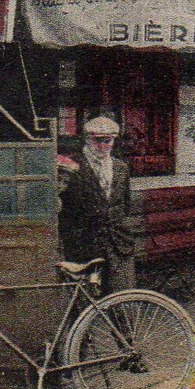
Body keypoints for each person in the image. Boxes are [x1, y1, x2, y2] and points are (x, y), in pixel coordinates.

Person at [57, 115, 141, 295]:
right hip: (84, 244)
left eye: (108, 141)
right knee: (82, 300)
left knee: (124, 299)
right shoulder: (71, 166)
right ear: (87, 140)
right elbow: (61, 208)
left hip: (117, 243)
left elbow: (124, 204)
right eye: (98, 141)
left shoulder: (120, 168)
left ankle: (124, 324)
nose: (103, 146)